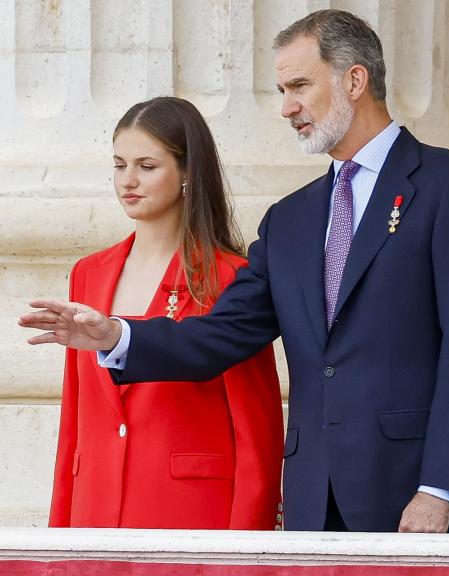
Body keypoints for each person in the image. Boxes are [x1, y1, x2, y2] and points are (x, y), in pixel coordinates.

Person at [22, 9, 449, 534]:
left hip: (414, 497)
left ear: (354, 80)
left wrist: (439, 489)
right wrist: (116, 335)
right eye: (281, 90)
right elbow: (222, 334)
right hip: (313, 507)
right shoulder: (289, 220)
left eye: (299, 85)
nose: (286, 108)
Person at [47, 97, 283, 529]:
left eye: (147, 166)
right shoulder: (88, 273)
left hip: (191, 520)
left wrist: (247, 549)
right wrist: (59, 538)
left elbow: (257, 435)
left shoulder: (230, 276)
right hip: (93, 514)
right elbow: (74, 424)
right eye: (119, 165)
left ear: (188, 171)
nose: (128, 181)